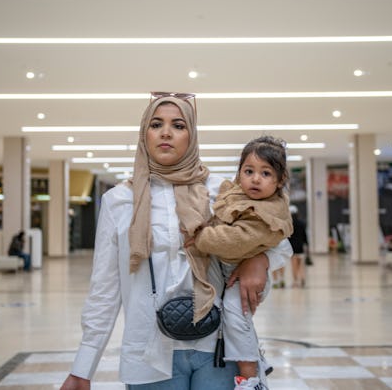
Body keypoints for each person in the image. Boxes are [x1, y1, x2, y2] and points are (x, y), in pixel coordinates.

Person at [60, 93, 292, 390]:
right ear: (144, 133)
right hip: (149, 352)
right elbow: (105, 287)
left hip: (217, 348)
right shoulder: (119, 201)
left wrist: (260, 260)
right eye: (156, 124)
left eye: (179, 125)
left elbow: (277, 238)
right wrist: (83, 366)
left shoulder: (222, 191)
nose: (166, 132)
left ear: (192, 135)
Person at [188, 136, 293, 390]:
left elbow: (233, 239)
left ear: (279, 181)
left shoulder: (269, 212)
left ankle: (250, 378)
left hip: (239, 270)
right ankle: (255, 357)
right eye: (249, 171)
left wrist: (199, 237)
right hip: (223, 267)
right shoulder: (233, 192)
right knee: (230, 315)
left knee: (236, 313)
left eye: (266, 173)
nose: (255, 179)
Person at [288, 206, 308, 288]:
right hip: (300, 247)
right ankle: (302, 277)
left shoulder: (289, 224)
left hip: (292, 247)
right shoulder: (302, 223)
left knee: (294, 265)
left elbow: (287, 237)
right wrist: (307, 244)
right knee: (301, 265)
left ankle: (295, 281)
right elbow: (304, 235)